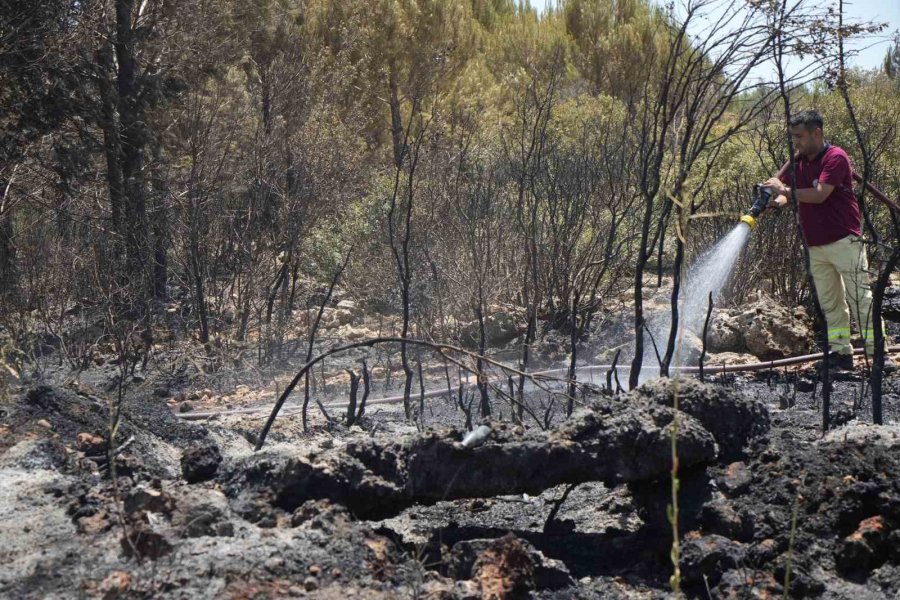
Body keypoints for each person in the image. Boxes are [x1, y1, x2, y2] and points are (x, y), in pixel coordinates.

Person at [763, 109, 897, 373]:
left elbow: (819, 194)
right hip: (815, 244)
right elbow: (788, 194)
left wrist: (785, 190)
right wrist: (776, 201)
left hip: (844, 240)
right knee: (830, 302)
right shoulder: (798, 162)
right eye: (793, 138)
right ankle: (840, 354)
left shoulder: (835, 158)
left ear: (817, 133)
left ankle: (879, 354)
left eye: (800, 136)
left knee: (860, 298)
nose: (796, 143)